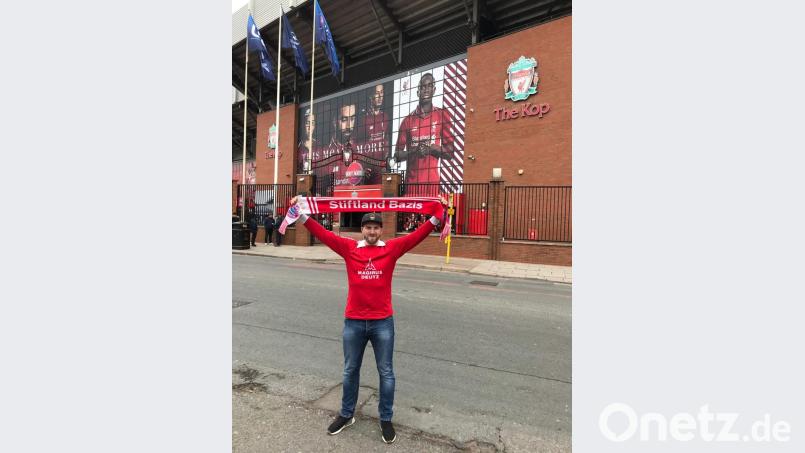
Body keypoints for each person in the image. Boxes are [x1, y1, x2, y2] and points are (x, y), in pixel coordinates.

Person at [289, 196, 445, 444]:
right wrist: (301, 213)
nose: (372, 231)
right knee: (350, 370)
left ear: (380, 230)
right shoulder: (349, 248)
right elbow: (324, 233)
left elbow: (417, 235)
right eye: (367, 227)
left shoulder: (391, 249)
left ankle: (385, 418)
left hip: (382, 321)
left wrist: (438, 214)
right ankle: (347, 414)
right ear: (362, 230)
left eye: (375, 227)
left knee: (386, 372)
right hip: (354, 321)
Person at [393, 73, 455, 196]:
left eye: (429, 86)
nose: (426, 89)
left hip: (432, 184)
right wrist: (414, 151)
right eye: (422, 87)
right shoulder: (407, 121)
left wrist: (431, 149)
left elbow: (450, 152)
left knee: (431, 216)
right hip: (411, 185)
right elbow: (397, 155)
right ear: (417, 92)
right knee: (410, 216)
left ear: (434, 90)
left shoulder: (442, 115)